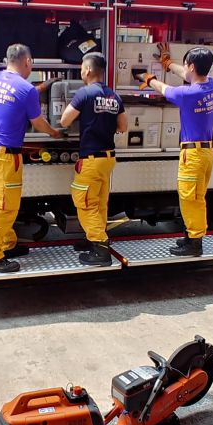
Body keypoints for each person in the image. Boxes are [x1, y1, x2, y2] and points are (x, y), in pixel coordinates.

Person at [0, 43, 63, 273]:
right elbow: (37, 122)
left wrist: (44, 86)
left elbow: (18, 94)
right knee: (5, 208)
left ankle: (6, 244)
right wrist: (54, 132)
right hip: (6, 158)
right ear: (27, 62)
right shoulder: (25, 89)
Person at [137, 45, 213, 257]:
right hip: (206, 152)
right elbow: (186, 74)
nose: (184, 68)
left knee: (189, 198)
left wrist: (148, 78)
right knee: (197, 198)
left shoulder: (188, 94)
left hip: (193, 155)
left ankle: (194, 243)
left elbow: (165, 90)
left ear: (192, 66)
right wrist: (168, 63)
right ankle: (192, 237)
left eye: (185, 65)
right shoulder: (211, 85)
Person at [59, 52, 126, 266]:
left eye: (81, 68)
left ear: (88, 70)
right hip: (108, 158)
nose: (80, 71)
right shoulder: (114, 96)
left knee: (85, 202)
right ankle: (94, 239)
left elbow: (64, 120)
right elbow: (123, 127)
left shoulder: (84, 93)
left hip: (91, 158)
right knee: (99, 201)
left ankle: (100, 248)